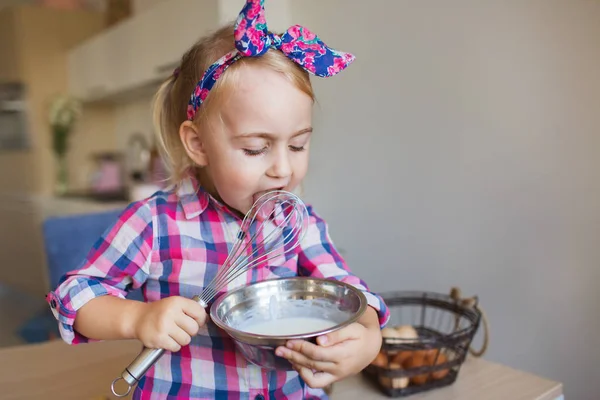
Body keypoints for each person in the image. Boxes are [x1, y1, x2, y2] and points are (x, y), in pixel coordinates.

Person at [46, 0, 390, 399]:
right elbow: (77, 296)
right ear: (198, 143)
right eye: (255, 149)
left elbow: (347, 292)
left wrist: (368, 337)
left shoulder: (297, 223)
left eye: (298, 145)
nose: (282, 169)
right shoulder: (156, 223)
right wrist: (136, 317)